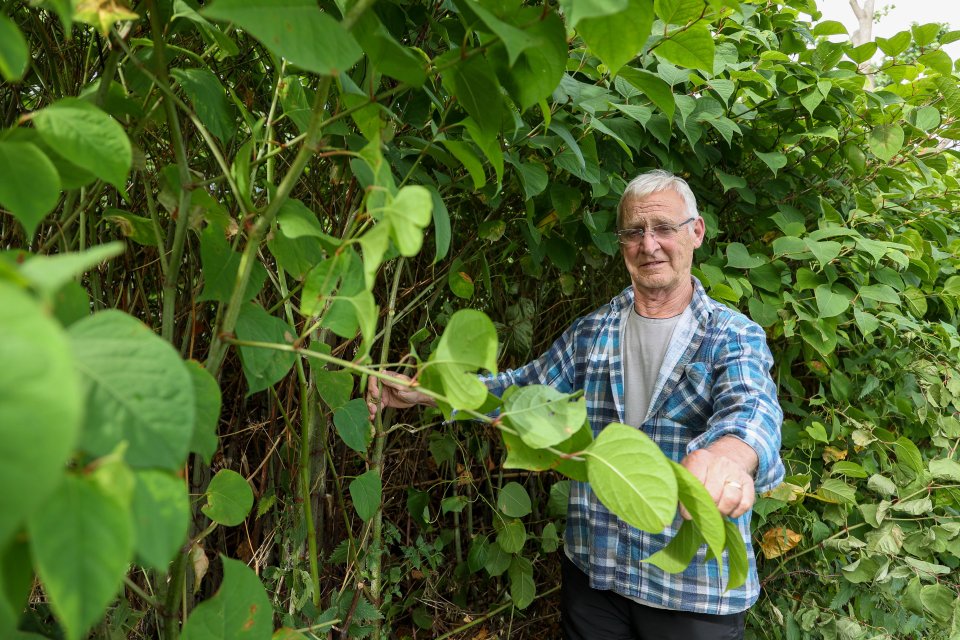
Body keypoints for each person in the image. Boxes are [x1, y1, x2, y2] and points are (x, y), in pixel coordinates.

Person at [367, 170, 784, 640]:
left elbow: (752, 408)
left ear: (696, 232)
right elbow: (524, 394)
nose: (649, 245)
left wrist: (728, 455)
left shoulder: (732, 334)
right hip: (595, 572)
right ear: (621, 242)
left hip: (690, 589)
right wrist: (431, 390)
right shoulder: (593, 332)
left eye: (664, 228)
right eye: (634, 232)